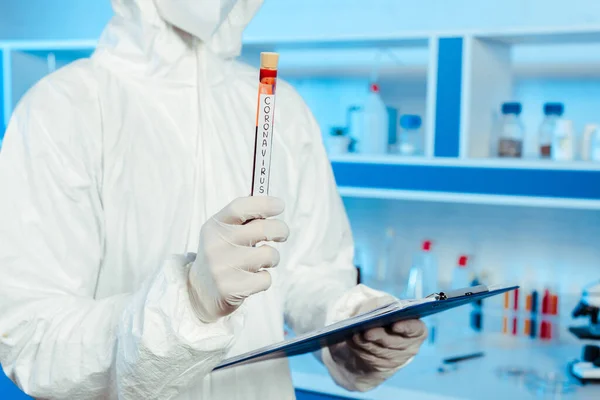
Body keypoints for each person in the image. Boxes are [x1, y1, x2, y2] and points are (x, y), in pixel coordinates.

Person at [0, 0, 427, 399]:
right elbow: (31, 336)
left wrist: (352, 322)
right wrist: (188, 304)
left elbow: (304, 274)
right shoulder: (64, 108)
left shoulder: (284, 109)